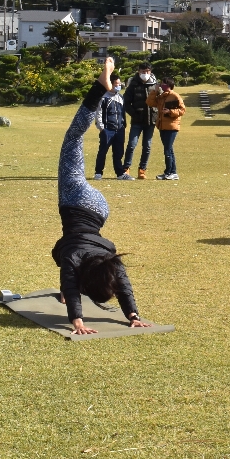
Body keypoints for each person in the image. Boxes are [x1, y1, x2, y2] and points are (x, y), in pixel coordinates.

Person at [52, 58, 152, 336]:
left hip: (99, 211)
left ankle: (100, 87)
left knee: (74, 142)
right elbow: (72, 285)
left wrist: (133, 314)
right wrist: (78, 322)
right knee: (73, 139)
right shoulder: (72, 258)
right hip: (76, 201)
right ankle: (100, 87)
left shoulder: (110, 261)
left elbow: (122, 287)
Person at [122, 62, 157, 180]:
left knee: (147, 146)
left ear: (150, 72)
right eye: (142, 71)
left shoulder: (155, 85)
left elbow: (160, 101)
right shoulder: (133, 85)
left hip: (150, 121)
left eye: (147, 71)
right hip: (137, 120)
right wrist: (134, 113)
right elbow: (126, 103)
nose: (145, 74)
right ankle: (126, 169)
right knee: (132, 145)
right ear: (138, 71)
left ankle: (142, 170)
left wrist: (156, 113)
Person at [148, 77, 186, 180]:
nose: (161, 85)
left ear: (168, 85)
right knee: (169, 150)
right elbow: (150, 103)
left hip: (171, 126)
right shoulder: (161, 97)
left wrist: (169, 111)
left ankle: (169, 172)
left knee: (167, 150)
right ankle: (173, 172)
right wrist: (154, 91)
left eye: (163, 84)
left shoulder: (175, 96)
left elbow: (182, 110)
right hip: (162, 126)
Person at [93, 71, 127, 180]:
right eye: (116, 84)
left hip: (119, 129)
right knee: (103, 151)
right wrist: (101, 128)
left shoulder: (120, 97)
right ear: (110, 84)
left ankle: (120, 174)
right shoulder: (104, 98)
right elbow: (98, 113)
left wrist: (123, 125)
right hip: (107, 129)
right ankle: (98, 172)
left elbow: (123, 113)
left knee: (118, 153)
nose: (119, 85)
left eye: (119, 83)